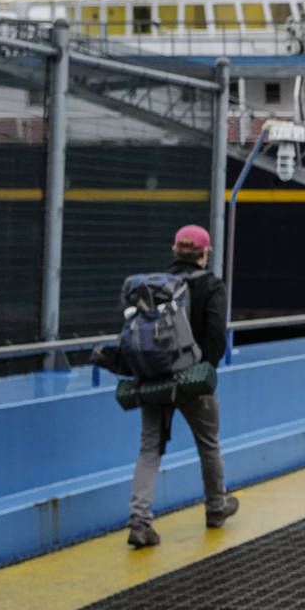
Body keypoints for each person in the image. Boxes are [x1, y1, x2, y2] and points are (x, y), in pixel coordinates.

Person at [126, 225, 236, 548]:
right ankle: (216, 508)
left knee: (149, 448)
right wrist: (205, 375)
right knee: (208, 444)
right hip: (191, 379)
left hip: (153, 377)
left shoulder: (156, 286)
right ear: (204, 254)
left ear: (175, 251)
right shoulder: (211, 286)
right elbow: (216, 335)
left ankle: (139, 521)